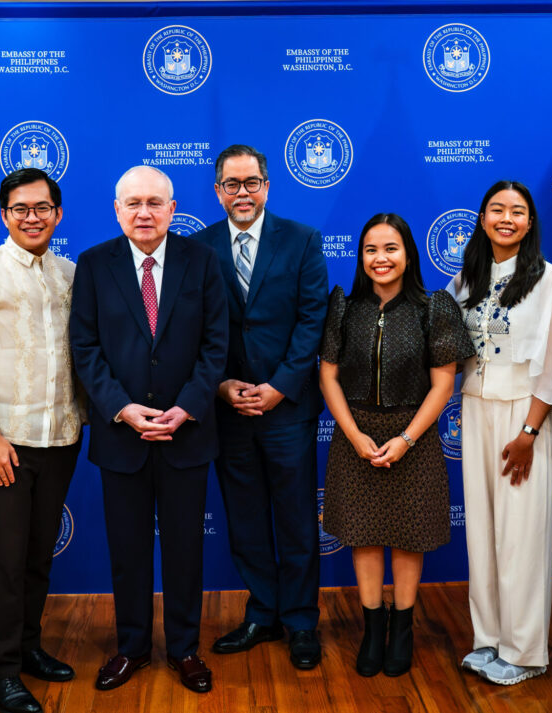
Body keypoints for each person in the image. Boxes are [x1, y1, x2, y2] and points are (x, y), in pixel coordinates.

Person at [69, 166, 227, 694]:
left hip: (187, 433)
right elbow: (85, 349)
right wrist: (121, 408)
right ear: (116, 210)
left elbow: (214, 346)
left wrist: (186, 407)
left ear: (173, 208)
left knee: (186, 550)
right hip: (122, 436)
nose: (144, 212)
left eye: (155, 203)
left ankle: (184, 649)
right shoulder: (92, 266)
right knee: (128, 550)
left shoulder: (202, 263)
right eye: (133, 203)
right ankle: (132, 647)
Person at [0, 168, 84, 713]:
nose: (33, 217)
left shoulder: (70, 273)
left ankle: (27, 647)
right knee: (2, 562)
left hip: (61, 436)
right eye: (21, 209)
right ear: (5, 215)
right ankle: (0, 670)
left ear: (58, 213)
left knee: (35, 556)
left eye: (43, 208)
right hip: (2, 442)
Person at [319, 213, 473, 678]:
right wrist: (353, 435)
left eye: (390, 249)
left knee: (409, 537)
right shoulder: (344, 305)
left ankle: (402, 627)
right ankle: (372, 627)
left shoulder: (434, 306)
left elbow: (443, 384)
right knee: (364, 536)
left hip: (415, 437)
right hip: (355, 435)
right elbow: (327, 374)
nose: (380, 259)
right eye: (371, 250)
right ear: (360, 256)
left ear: (408, 254)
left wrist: (405, 439)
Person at [193, 145, 328, 668]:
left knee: (295, 519)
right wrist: (223, 386)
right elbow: (198, 329)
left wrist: (280, 385)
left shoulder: (301, 240)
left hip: (286, 408)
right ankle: (262, 613)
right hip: (228, 409)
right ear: (218, 191)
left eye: (251, 183)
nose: (242, 193)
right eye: (232, 184)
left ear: (267, 186)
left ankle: (299, 621)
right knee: (245, 519)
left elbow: (312, 319)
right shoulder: (198, 248)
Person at [448, 180, 552, 685]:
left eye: (517, 211)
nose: (506, 218)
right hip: (476, 410)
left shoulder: (546, 279)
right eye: (497, 209)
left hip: (527, 418)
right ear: (482, 218)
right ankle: (489, 640)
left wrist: (530, 430)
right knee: (482, 531)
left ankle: (524, 652)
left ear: (529, 223)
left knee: (522, 537)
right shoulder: (464, 281)